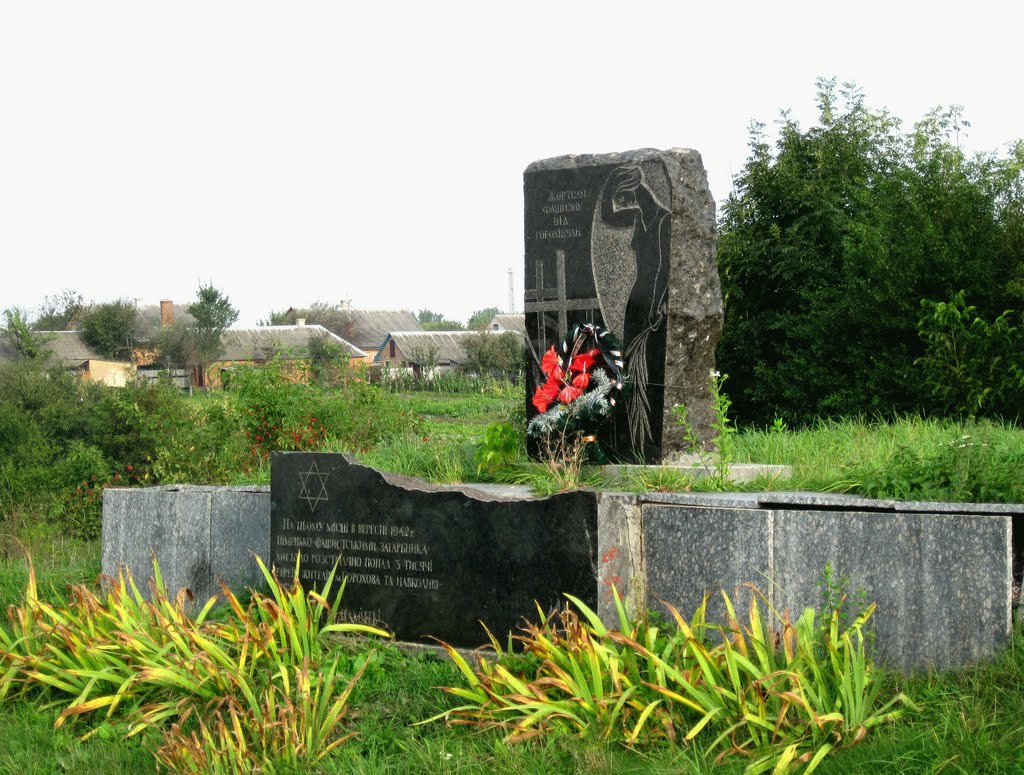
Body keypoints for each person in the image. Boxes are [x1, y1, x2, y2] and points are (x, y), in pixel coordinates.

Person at [600, 164, 670, 458]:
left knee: (649, 372)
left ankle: (649, 442)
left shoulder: (664, 220)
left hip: (652, 306)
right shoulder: (639, 216)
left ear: (636, 193)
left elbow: (665, 270)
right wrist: (607, 187)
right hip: (635, 304)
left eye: (625, 197)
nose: (624, 204)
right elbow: (607, 217)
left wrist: (656, 307)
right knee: (629, 370)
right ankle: (632, 442)